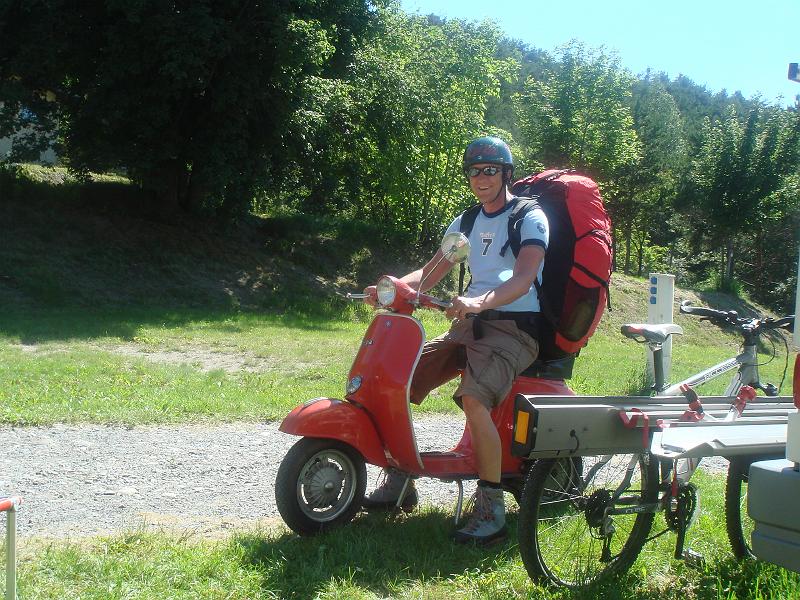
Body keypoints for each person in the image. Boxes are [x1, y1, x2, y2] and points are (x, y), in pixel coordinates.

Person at [361, 136, 548, 545]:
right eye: (474, 171)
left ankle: (491, 506)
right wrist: (389, 286)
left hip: (515, 328)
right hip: (469, 323)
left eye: (490, 170)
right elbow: (429, 274)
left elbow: (522, 279)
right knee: (400, 379)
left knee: (474, 399)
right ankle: (400, 476)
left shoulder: (529, 217)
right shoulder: (464, 224)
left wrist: (479, 301)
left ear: (506, 173)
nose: (481, 178)